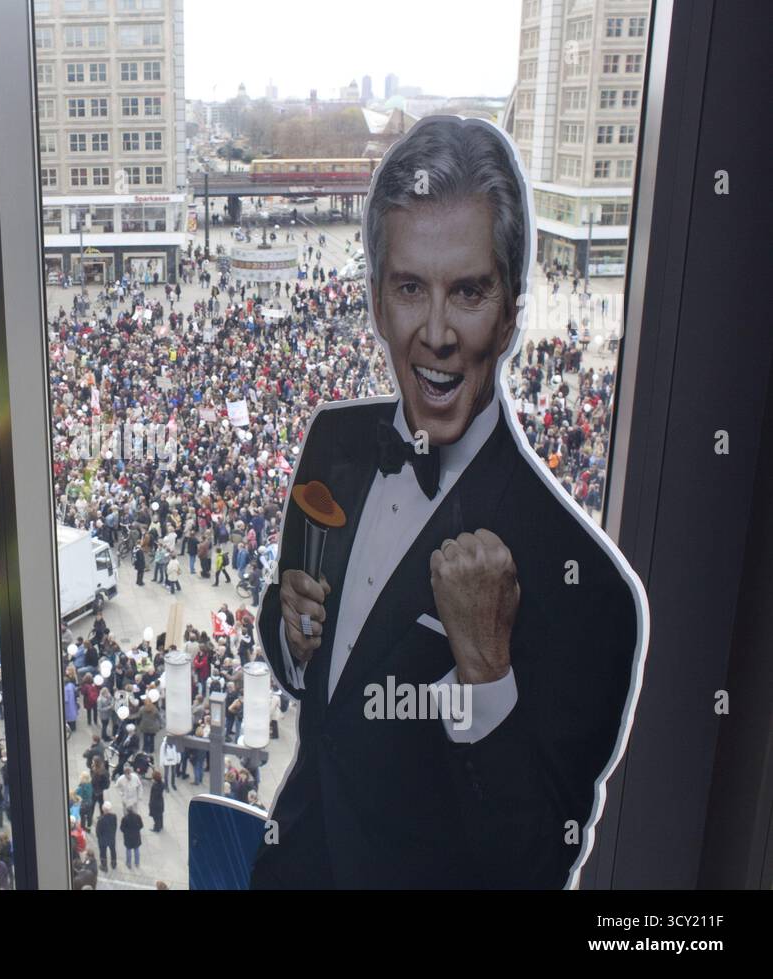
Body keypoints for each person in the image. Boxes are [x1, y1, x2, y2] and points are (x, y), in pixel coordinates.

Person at [252, 117, 644, 890]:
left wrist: (486, 674)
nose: (435, 333)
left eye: (468, 291)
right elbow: (305, 672)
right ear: (374, 299)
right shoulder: (331, 441)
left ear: (510, 311)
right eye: (409, 288)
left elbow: (534, 866)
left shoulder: (588, 588)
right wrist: (290, 639)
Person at [95, 801, 118, 872]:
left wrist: (99, 837)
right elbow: (115, 826)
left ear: (103, 809)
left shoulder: (101, 820)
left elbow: (98, 832)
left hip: (103, 840)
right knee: (113, 850)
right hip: (111, 838)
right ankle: (114, 864)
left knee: (103, 853)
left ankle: (104, 866)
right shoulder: (114, 816)